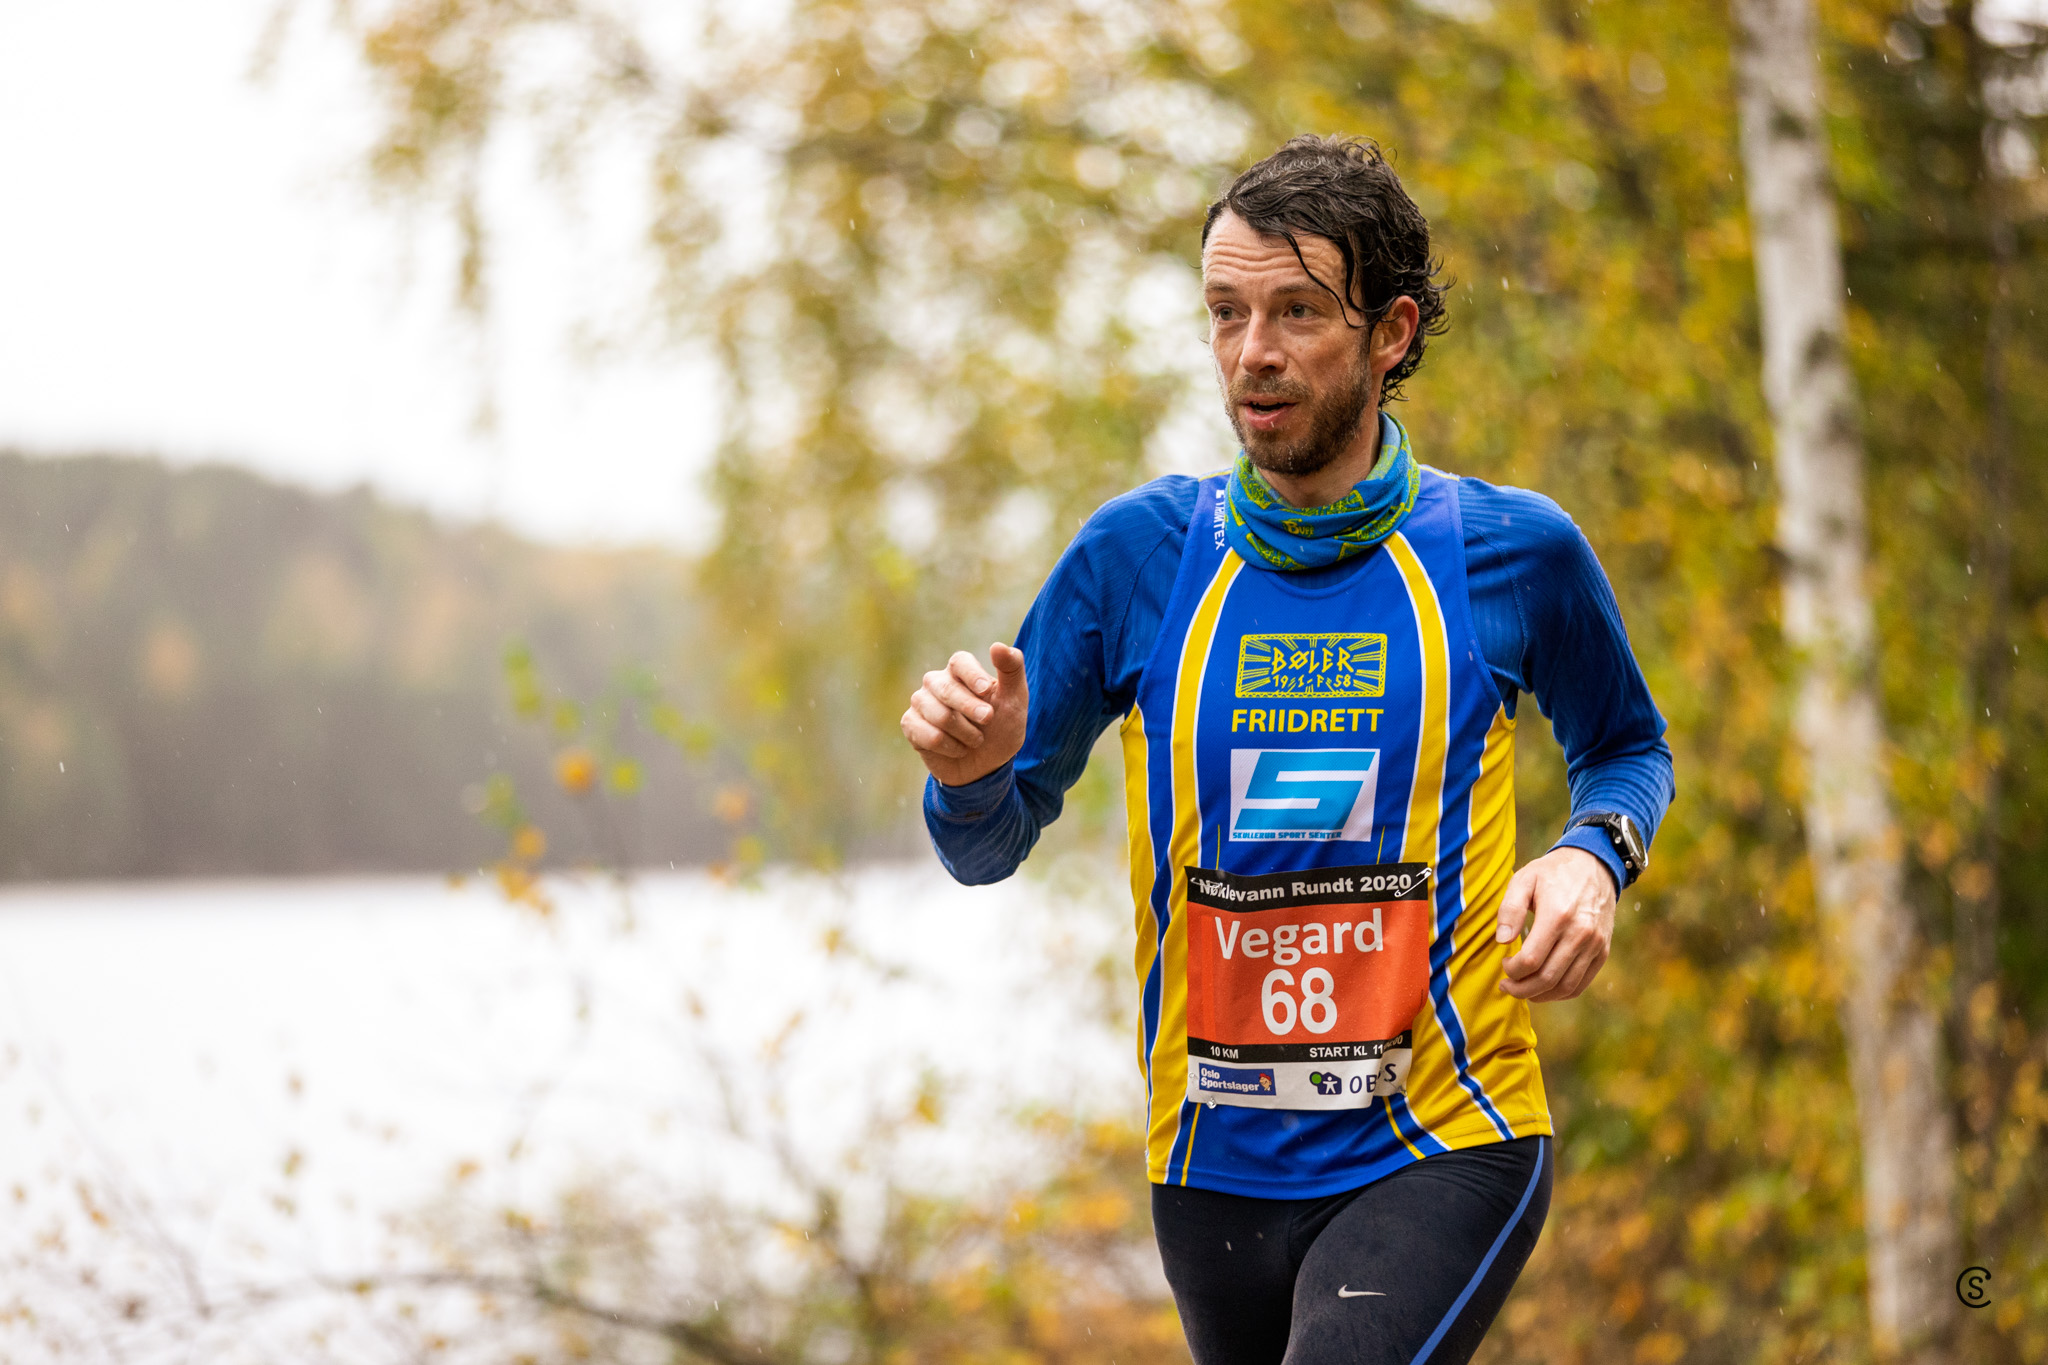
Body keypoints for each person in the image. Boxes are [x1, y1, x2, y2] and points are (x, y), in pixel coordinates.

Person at [899, 135, 1674, 1365]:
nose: (1250, 351)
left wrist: (1593, 855)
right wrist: (967, 779)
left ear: (1390, 334)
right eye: (1225, 312)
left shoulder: (1509, 553)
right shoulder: (1139, 557)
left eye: (1297, 312)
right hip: (1209, 1169)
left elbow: (1627, 748)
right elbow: (983, 850)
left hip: (1441, 1139)